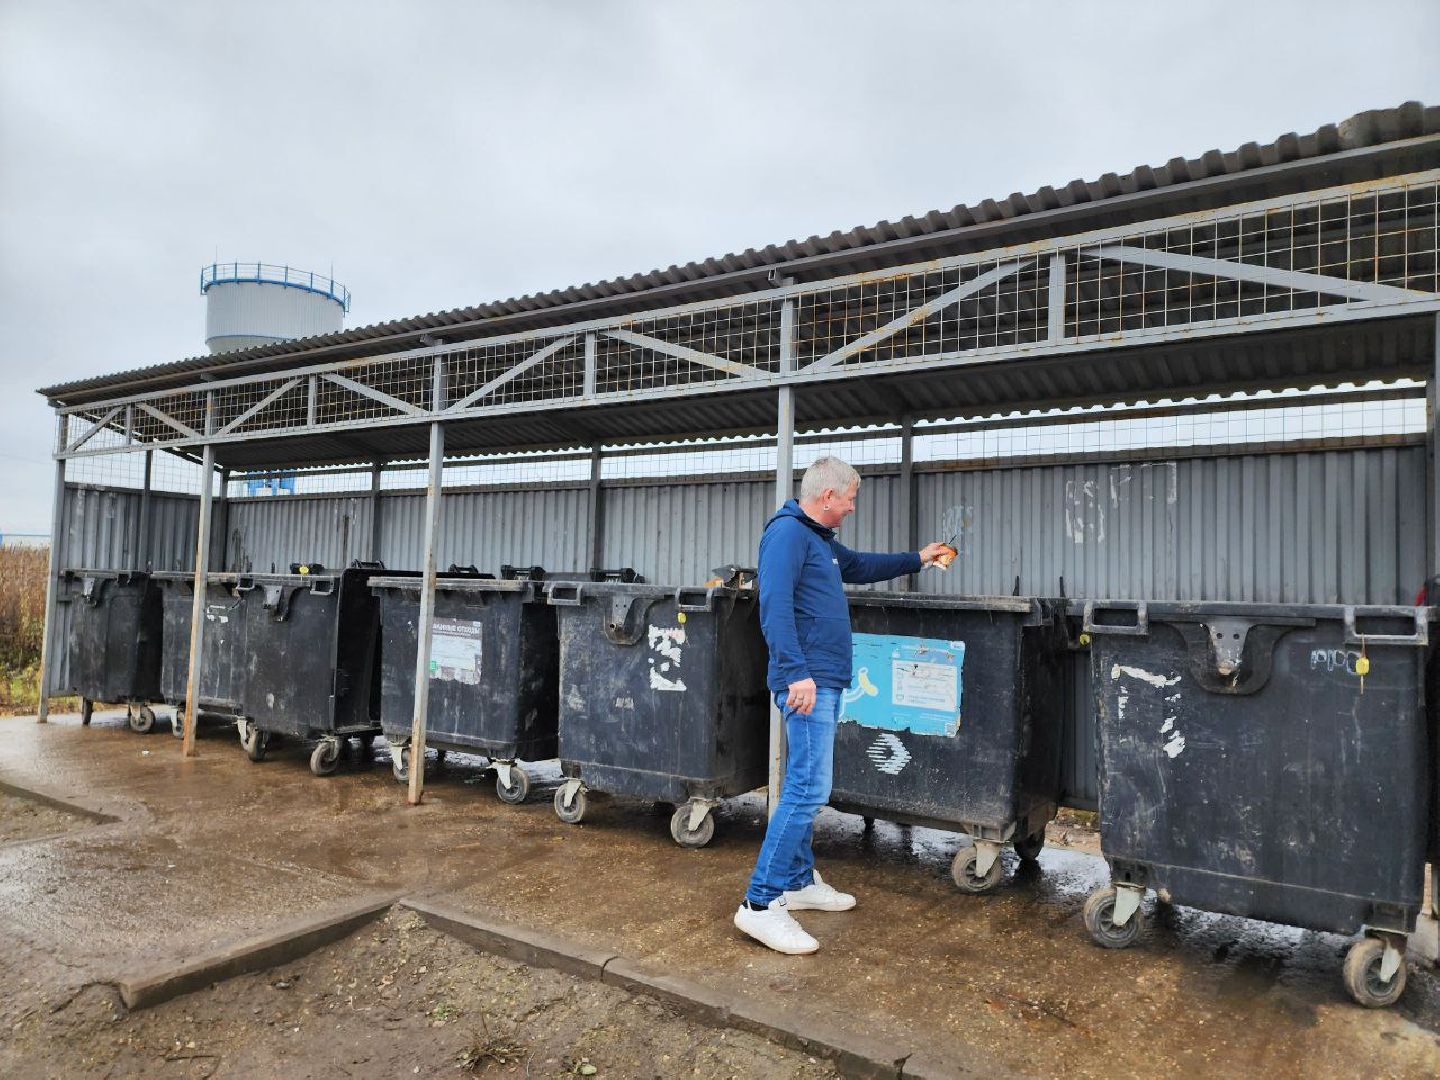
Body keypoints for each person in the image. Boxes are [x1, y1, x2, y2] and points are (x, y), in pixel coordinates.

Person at [734, 455, 953, 955]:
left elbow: (862, 565)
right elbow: (774, 605)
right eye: (850, 498)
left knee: (805, 785)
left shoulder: (820, 542)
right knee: (809, 790)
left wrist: (917, 558)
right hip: (807, 681)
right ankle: (760, 904)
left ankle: (796, 881)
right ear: (827, 496)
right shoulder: (788, 535)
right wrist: (795, 673)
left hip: (822, 678)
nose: (852, 507)